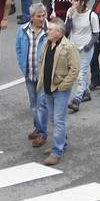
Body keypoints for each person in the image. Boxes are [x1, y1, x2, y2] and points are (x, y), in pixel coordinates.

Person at [34, 19, 79, 166]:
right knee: (53, 119)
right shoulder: (48, 43)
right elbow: (42, 63)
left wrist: (63, 86)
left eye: (51, 30)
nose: (47, 31)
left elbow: (75, 69)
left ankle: (57, 151)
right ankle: (62, 143)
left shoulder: (68, 47)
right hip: (48, 88)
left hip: (59, 90)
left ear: (59, 33)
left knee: (58, 120)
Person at [16, 3, 50, 138]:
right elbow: (18, 49)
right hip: (29, 74)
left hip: (43, 76)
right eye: (38, 16)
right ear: (32, 17)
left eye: (43, 15)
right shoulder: (23, 30)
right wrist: (22, 66)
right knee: (33, 104)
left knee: (42, 105)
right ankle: (38, 127)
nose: (41, 18)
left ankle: (42, 133)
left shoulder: (50, 31)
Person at [65, 0, 95, 111]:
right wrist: (70, 17)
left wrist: (88, 45)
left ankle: (76, 100)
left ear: (82, 2)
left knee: (81, 73)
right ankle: (86, 92)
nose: (73, 2)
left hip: (86, 48)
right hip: (73, 46)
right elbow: (66, 29)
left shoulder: (92, 16)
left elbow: (96, 33)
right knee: (75, 71)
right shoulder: (70, 12)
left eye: (75, 0)